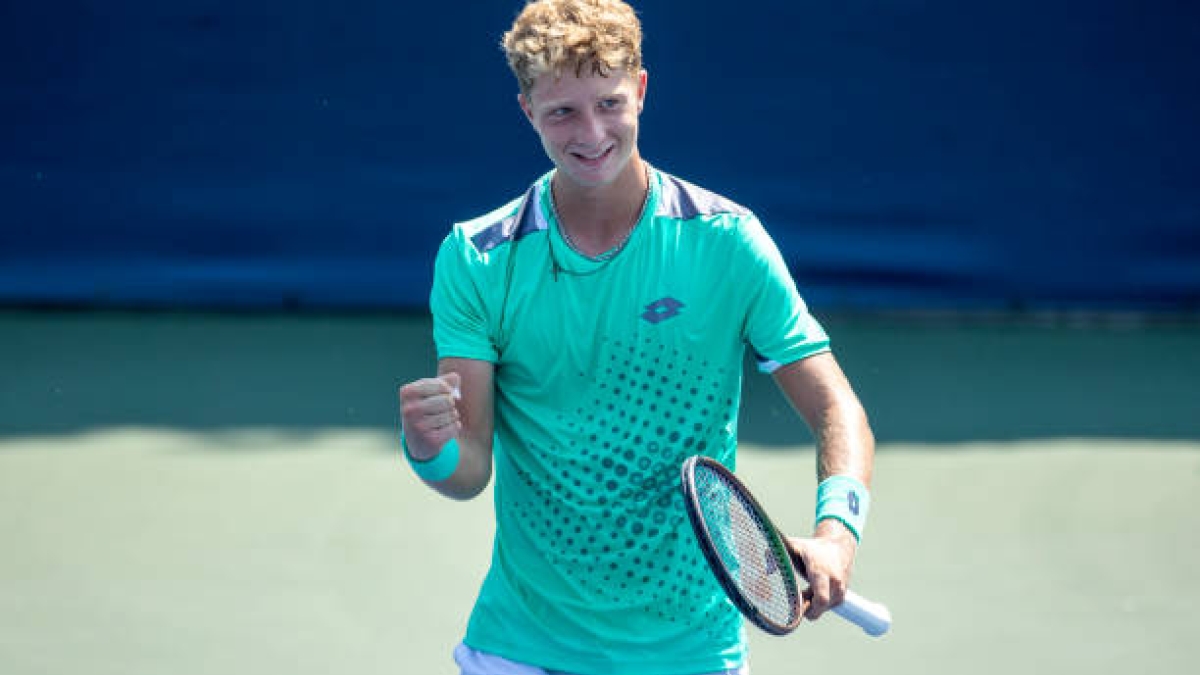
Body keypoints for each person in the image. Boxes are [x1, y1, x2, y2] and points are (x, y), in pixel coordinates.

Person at [398, 1, 876, 673]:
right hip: (524, 647)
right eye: (563, 111)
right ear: (527, 110)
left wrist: (838, 534)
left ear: (642, 91)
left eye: (609, 103)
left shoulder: (728, 243)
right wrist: (429, 449)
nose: (591, 132)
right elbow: (468, 467)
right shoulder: (477, 258)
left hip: (692, 648)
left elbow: (835, 407)